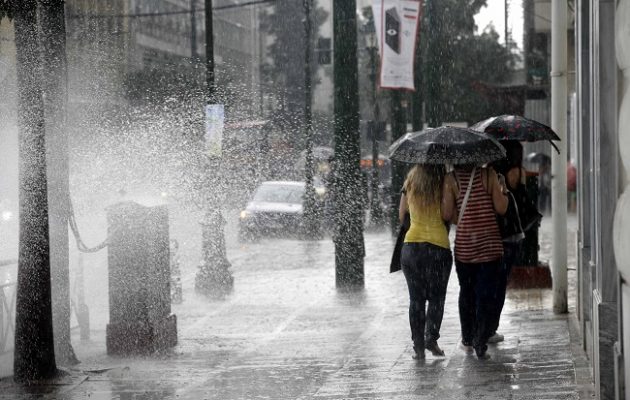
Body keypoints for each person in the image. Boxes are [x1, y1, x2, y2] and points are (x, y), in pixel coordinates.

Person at [444, 163, 508, 359]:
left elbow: (446, 214)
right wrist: (503, 191)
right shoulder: (488, 175)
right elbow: (501, 208)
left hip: (465, 248)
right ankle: (481, 339)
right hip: (490, 245)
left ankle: (468, 337)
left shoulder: (450, 179)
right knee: (486, 294)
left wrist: (464, 219)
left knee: (467, 292)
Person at [398, 164, 455, 360]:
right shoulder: (444, 180)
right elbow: (447, 214)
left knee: (416, 299)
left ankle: (418, 347)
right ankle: (431, 338)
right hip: (437, 247)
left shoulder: (410, 181)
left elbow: (401, 214)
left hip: (411, 248)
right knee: (436, 298)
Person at [489, 141, 528, 344]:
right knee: (500, 283)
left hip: (492, 233)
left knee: (489, 282)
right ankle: (491, 326)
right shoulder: (514, 172)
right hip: (509, 235)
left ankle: (484, 325)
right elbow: (522, 202)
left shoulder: (491, 173)